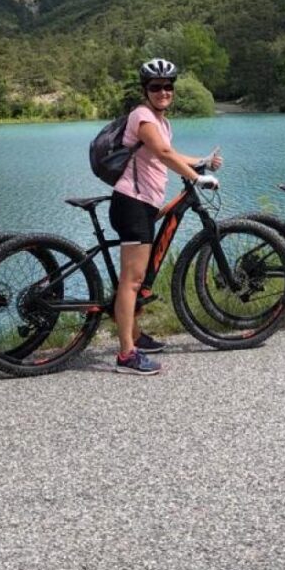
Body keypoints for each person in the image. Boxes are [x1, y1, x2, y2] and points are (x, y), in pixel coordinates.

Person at [109, 58, 222, 375]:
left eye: (168, 86)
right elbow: (163, 153)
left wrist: (201, 162)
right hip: (131, 203)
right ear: (145, 90)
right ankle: (126, 355)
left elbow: (168, 154)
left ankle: (134, 335)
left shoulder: (162, 123)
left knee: (135, 278)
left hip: (144, 204)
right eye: (156, 87)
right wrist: (197, 178)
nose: (163, 92)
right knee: (132, 281)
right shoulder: (142, 116)